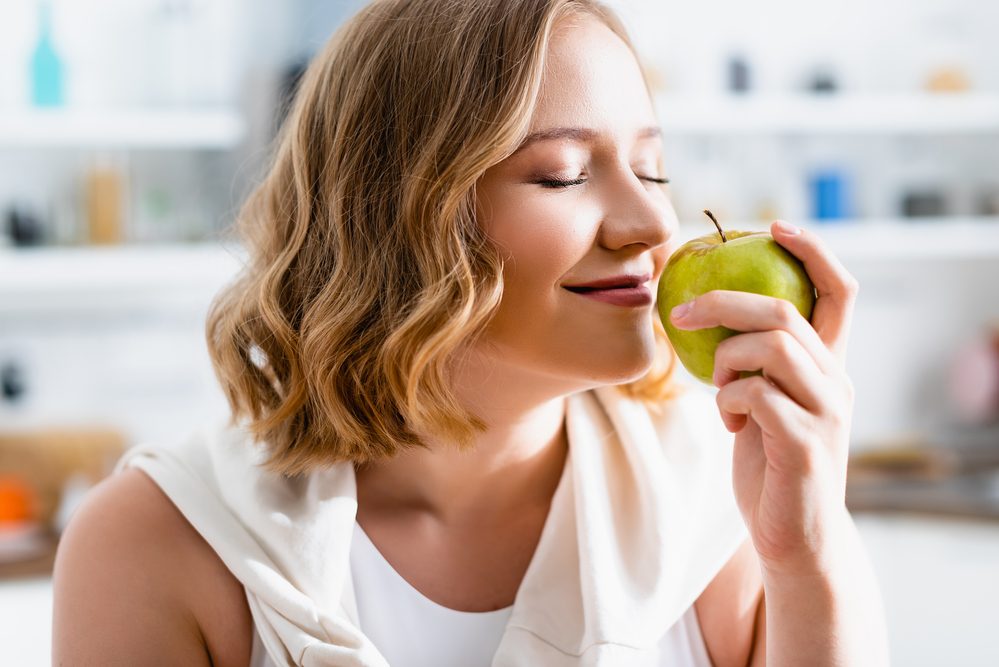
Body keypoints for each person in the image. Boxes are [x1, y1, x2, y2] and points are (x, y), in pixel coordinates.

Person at [52, 0, 891, 665]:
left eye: (651, 167)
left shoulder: (720, 512)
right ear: (394, 218)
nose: (649, 222)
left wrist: (805, 553)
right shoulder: (163, 543)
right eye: (564, 174)